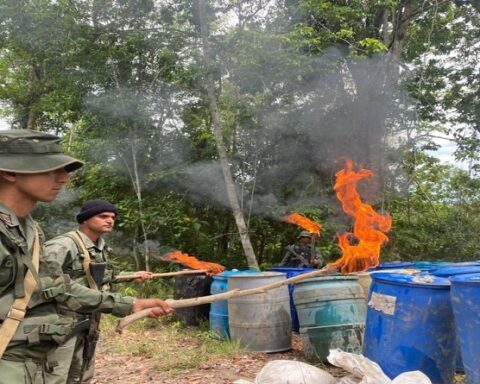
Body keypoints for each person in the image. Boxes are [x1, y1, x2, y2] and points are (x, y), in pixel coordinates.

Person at [0, 129, 172, 384]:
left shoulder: (30, 230)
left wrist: (129, 304)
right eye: (50, 169)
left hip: (30, 362)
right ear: (10, 171)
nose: (63, 179)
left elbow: (53, 287)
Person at [44, 199, 152, 384]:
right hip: (61, 322)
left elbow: (96, 277)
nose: (110, 220)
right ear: (85, 219)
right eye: (103, 216)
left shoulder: (98, 247)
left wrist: (133, 274)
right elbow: (44, 281)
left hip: (88, 321)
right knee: (55, 376)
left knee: (81, 374)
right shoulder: (63, 245)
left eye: (112, 217)